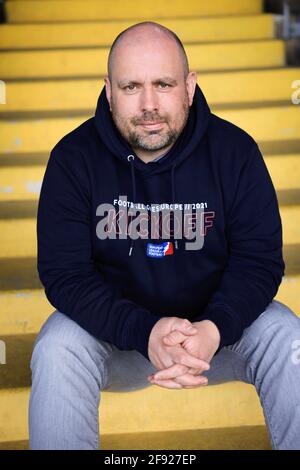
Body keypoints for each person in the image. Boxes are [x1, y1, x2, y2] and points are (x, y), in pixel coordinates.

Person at [29, 21, 300, 450]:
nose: (149, 104)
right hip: (118, 342)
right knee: (57, 344)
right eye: (132, 86)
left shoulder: (235, 152)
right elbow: (65, 274)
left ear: (190, 87)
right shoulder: (73, 158)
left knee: (287, 334)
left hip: (215, 339)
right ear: (109, 90)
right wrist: (145, 331)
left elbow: (259, 262)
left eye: (164, 84)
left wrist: (213, 328)